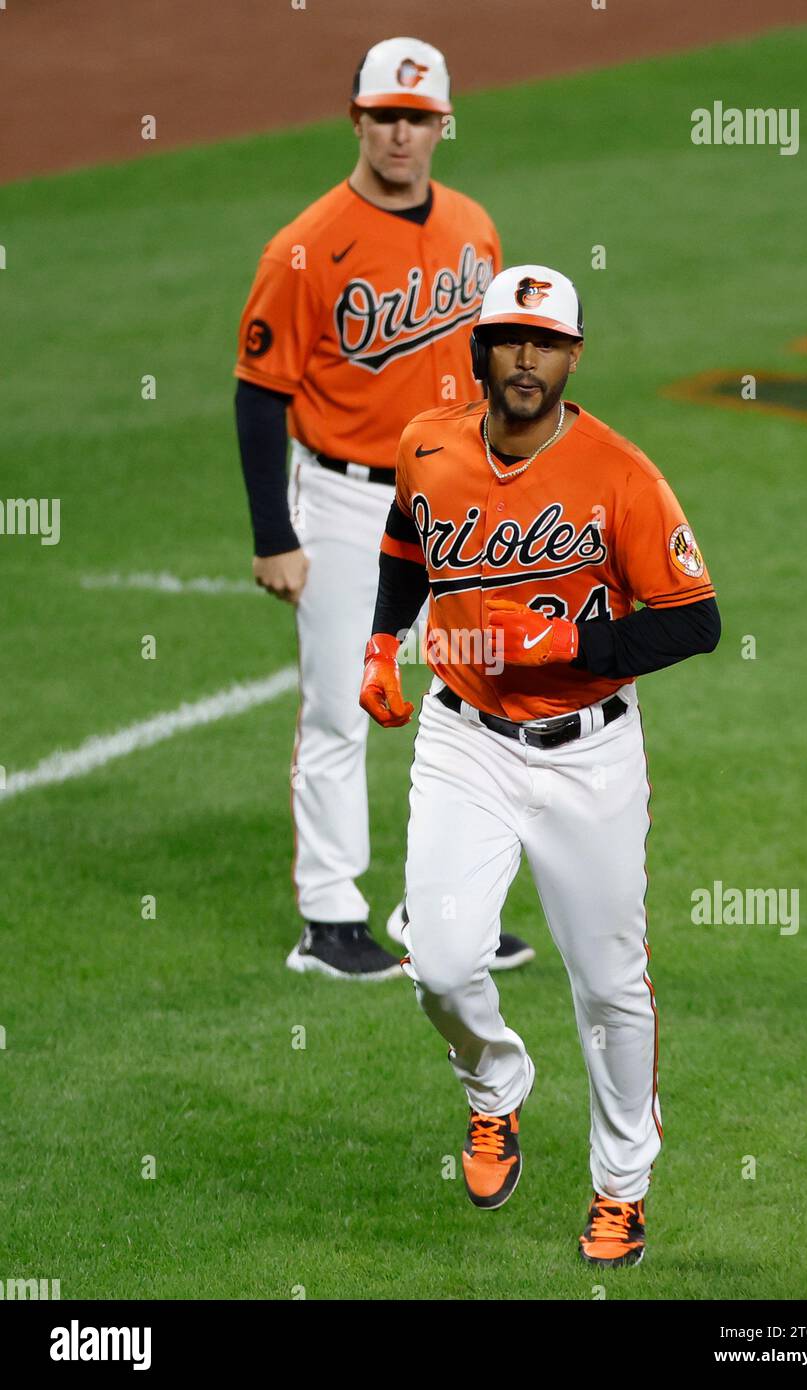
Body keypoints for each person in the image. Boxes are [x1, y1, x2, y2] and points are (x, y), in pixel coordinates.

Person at [359, 264, 721, 1265]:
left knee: (608, 985)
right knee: (436, 960)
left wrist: (569, 650)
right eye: (509, 338)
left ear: (572, 355)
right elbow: (406, 539)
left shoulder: (617, 472)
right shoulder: (426, 443)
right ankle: (494, 1085)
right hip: (461, 737)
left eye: (545, 341)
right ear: (478, 350)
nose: (526, 357)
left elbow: (694, 621)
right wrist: (380, 642)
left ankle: (620, 1190)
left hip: (588, 755)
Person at [233, 37, 534, 979]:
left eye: (416, 117)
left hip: (452, 499)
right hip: (340, 498)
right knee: (339, 705)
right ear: (355, 118)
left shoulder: (475, 229)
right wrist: (272, 535)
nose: (399, 134)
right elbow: (257, 390)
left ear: (442, 124)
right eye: (382, 115)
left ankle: (432, 908)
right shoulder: (305, 244)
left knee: (463, 700)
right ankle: (329, 918)